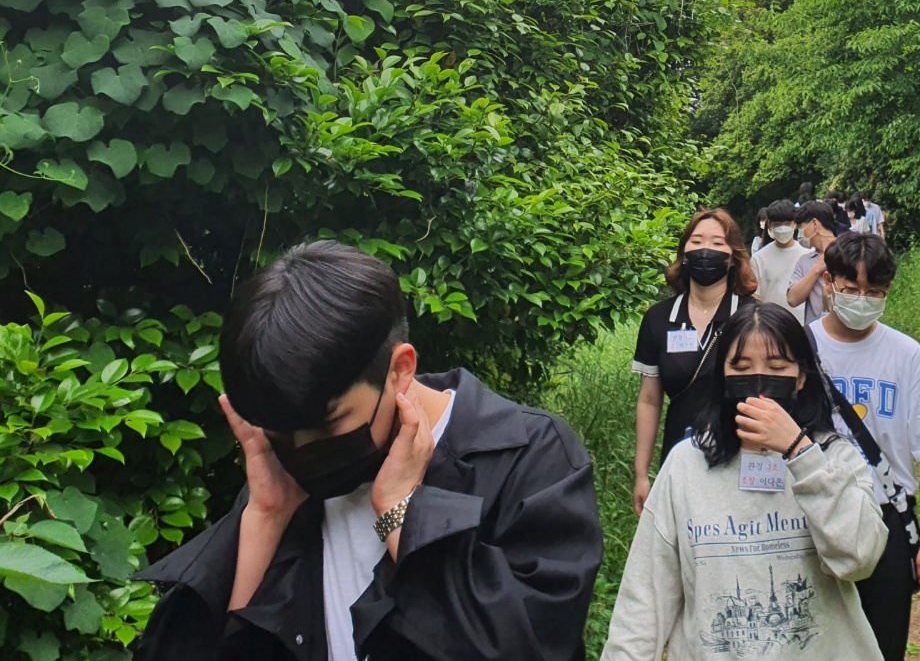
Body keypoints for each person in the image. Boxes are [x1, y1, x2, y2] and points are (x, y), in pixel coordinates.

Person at [134, 241, 601, 661]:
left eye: (328, 424)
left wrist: (401, 510)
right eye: (281, 434)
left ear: (400, 370)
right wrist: (266, 516)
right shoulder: (283, 478)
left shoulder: (527, 458)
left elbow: (529, 646)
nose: (303, 451)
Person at [602, 301, 888, 661]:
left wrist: (800, 452)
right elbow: (644, 597)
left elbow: (859, 559)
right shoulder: (685, 465)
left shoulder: (834, 457)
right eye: (740, 367)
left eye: (777, 367)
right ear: (722, 377)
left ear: (801, 377)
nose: (758, 381)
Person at [810, 232, 920, 661]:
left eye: (874, 293)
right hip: (814, 518)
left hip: (886, 517)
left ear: (888, 290)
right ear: (828, 282)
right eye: (851, 289)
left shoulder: (907, 356)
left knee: (883, 646)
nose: (862, 300)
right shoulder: (799, 348)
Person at [632, 209, 758, 515]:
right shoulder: (658, 319)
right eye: (697, 241)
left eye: (717, 243)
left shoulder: (752, 317)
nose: (705, 250)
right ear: (684, 253)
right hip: (679, 457)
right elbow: (649, 400)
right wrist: (641, 474)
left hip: (742, 458)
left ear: (733, 257)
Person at [785, 200, 840, 324]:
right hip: (815, 332)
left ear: (815, 224)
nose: (799, 233)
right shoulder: (805, 261)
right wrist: (816, 269)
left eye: (801, 227)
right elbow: (792, 299)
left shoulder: (849, 252)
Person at [750, 199, 806, 315]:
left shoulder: (807, 255)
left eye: (787, 224)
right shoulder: (758, 258)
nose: (782, 228)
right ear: (770, 225)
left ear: (795, 224)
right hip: (770, 321)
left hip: (802, 321)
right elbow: (754, 297)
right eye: (778, 224)